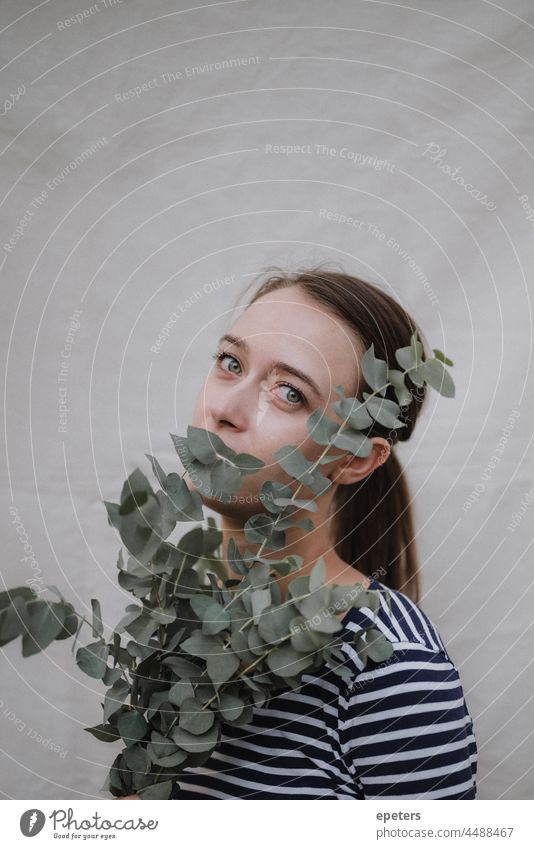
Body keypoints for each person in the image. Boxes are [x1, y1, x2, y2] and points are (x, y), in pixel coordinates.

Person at [117, 264, 477, 800]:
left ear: (355, 458)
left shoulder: (394, 669)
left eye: (289, 393)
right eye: (230, 363)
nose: (225, 409)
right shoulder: (178, 620)